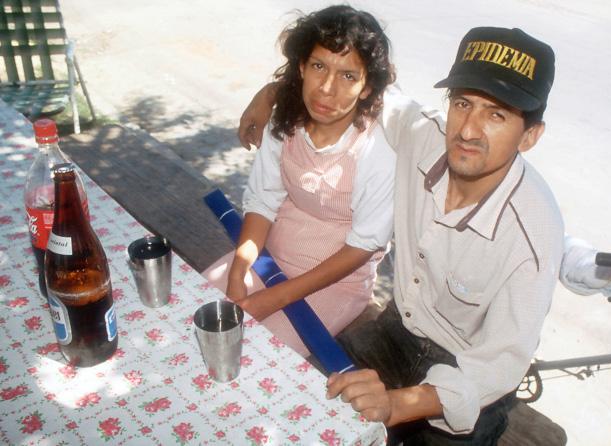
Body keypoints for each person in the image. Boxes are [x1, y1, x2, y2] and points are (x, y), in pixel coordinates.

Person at [239, 26, 565, 445]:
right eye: (463, 103)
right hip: (395, 333)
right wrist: (270, 93)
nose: (468, 130)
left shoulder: (533, 235)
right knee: (297, 408)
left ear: (531, 136)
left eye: (496, 115)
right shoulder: (421, 134)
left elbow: (499, 365)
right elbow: (351, 82)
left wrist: (395, 405)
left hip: (465, 374)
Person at [203, 5, 396, 356]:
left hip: (336, 283)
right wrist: (239, 271)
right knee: (193, 317)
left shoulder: (376, 147)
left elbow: (363, 245)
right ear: (302, 67)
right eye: (319, 66)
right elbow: (263, 200)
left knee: (258, 358)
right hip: (268, 257)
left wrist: (273, 298)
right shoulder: (286, 119)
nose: (327, 89)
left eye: (348, 76)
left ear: (367, 88)